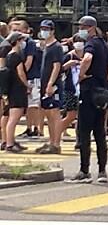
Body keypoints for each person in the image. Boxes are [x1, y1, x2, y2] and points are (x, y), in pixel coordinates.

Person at [69, 16, 108, 183]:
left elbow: (87, 59)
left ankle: (84, 170)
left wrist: (81, 74)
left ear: (90, 28)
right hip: (101, 93)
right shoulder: (103, 44)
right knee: (100, 133)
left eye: (82, 27)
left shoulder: (91, 43)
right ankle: (102, 171)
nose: (80, 30)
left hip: (88, 92)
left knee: (84, 132)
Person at [35, 20, 64, 154]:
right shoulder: (46, 46)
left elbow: (56, 66)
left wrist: (51, 84)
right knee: (48, 114)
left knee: (54, 114)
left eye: (47, 29)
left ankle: (56, 143)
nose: (44, 31)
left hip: (52, 85)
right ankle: (51, 142)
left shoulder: (56, 47)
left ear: (52, 31)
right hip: (44, 84)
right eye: (42, 29)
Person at [3, 32, 30, 153]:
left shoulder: (9, 55)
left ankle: (11, 141)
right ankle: (10, 144)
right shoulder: (16, 56)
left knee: (12, 117)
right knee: (14, 118)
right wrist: (27, 85)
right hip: (17, 89)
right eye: (21, 40)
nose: (23, 43)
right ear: (17, 41)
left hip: (11, 88)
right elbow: (21, 73)